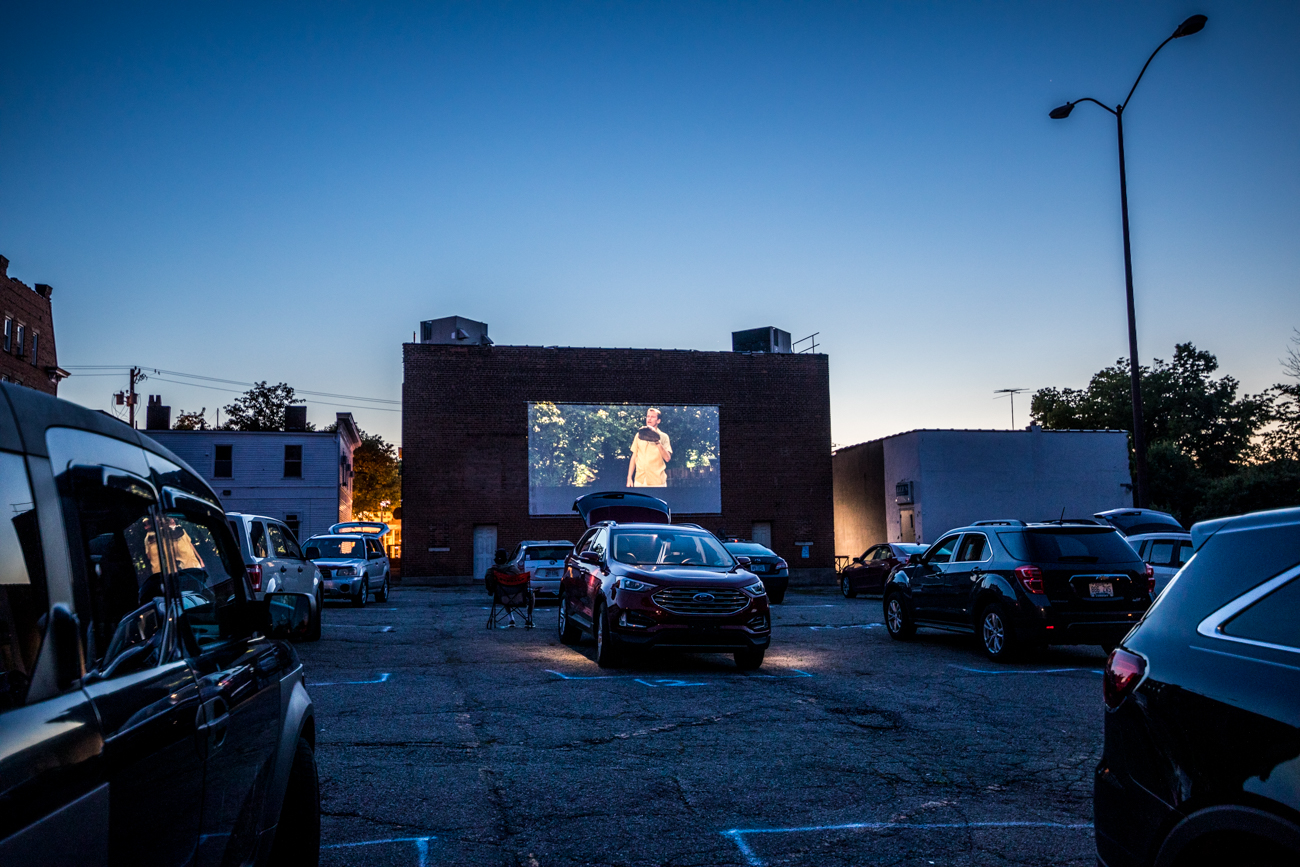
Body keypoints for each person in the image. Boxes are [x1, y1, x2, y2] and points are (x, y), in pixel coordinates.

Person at [626, 407, 673, 487]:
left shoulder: (664, 437)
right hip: (639, 480)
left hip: (657, 482)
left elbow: (667, 458)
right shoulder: (638, 435)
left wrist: (657, 441)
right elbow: (634, 457)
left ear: (658, 421)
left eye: (652, 417)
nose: (649, 419)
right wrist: (629, 477)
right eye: (648, 416)